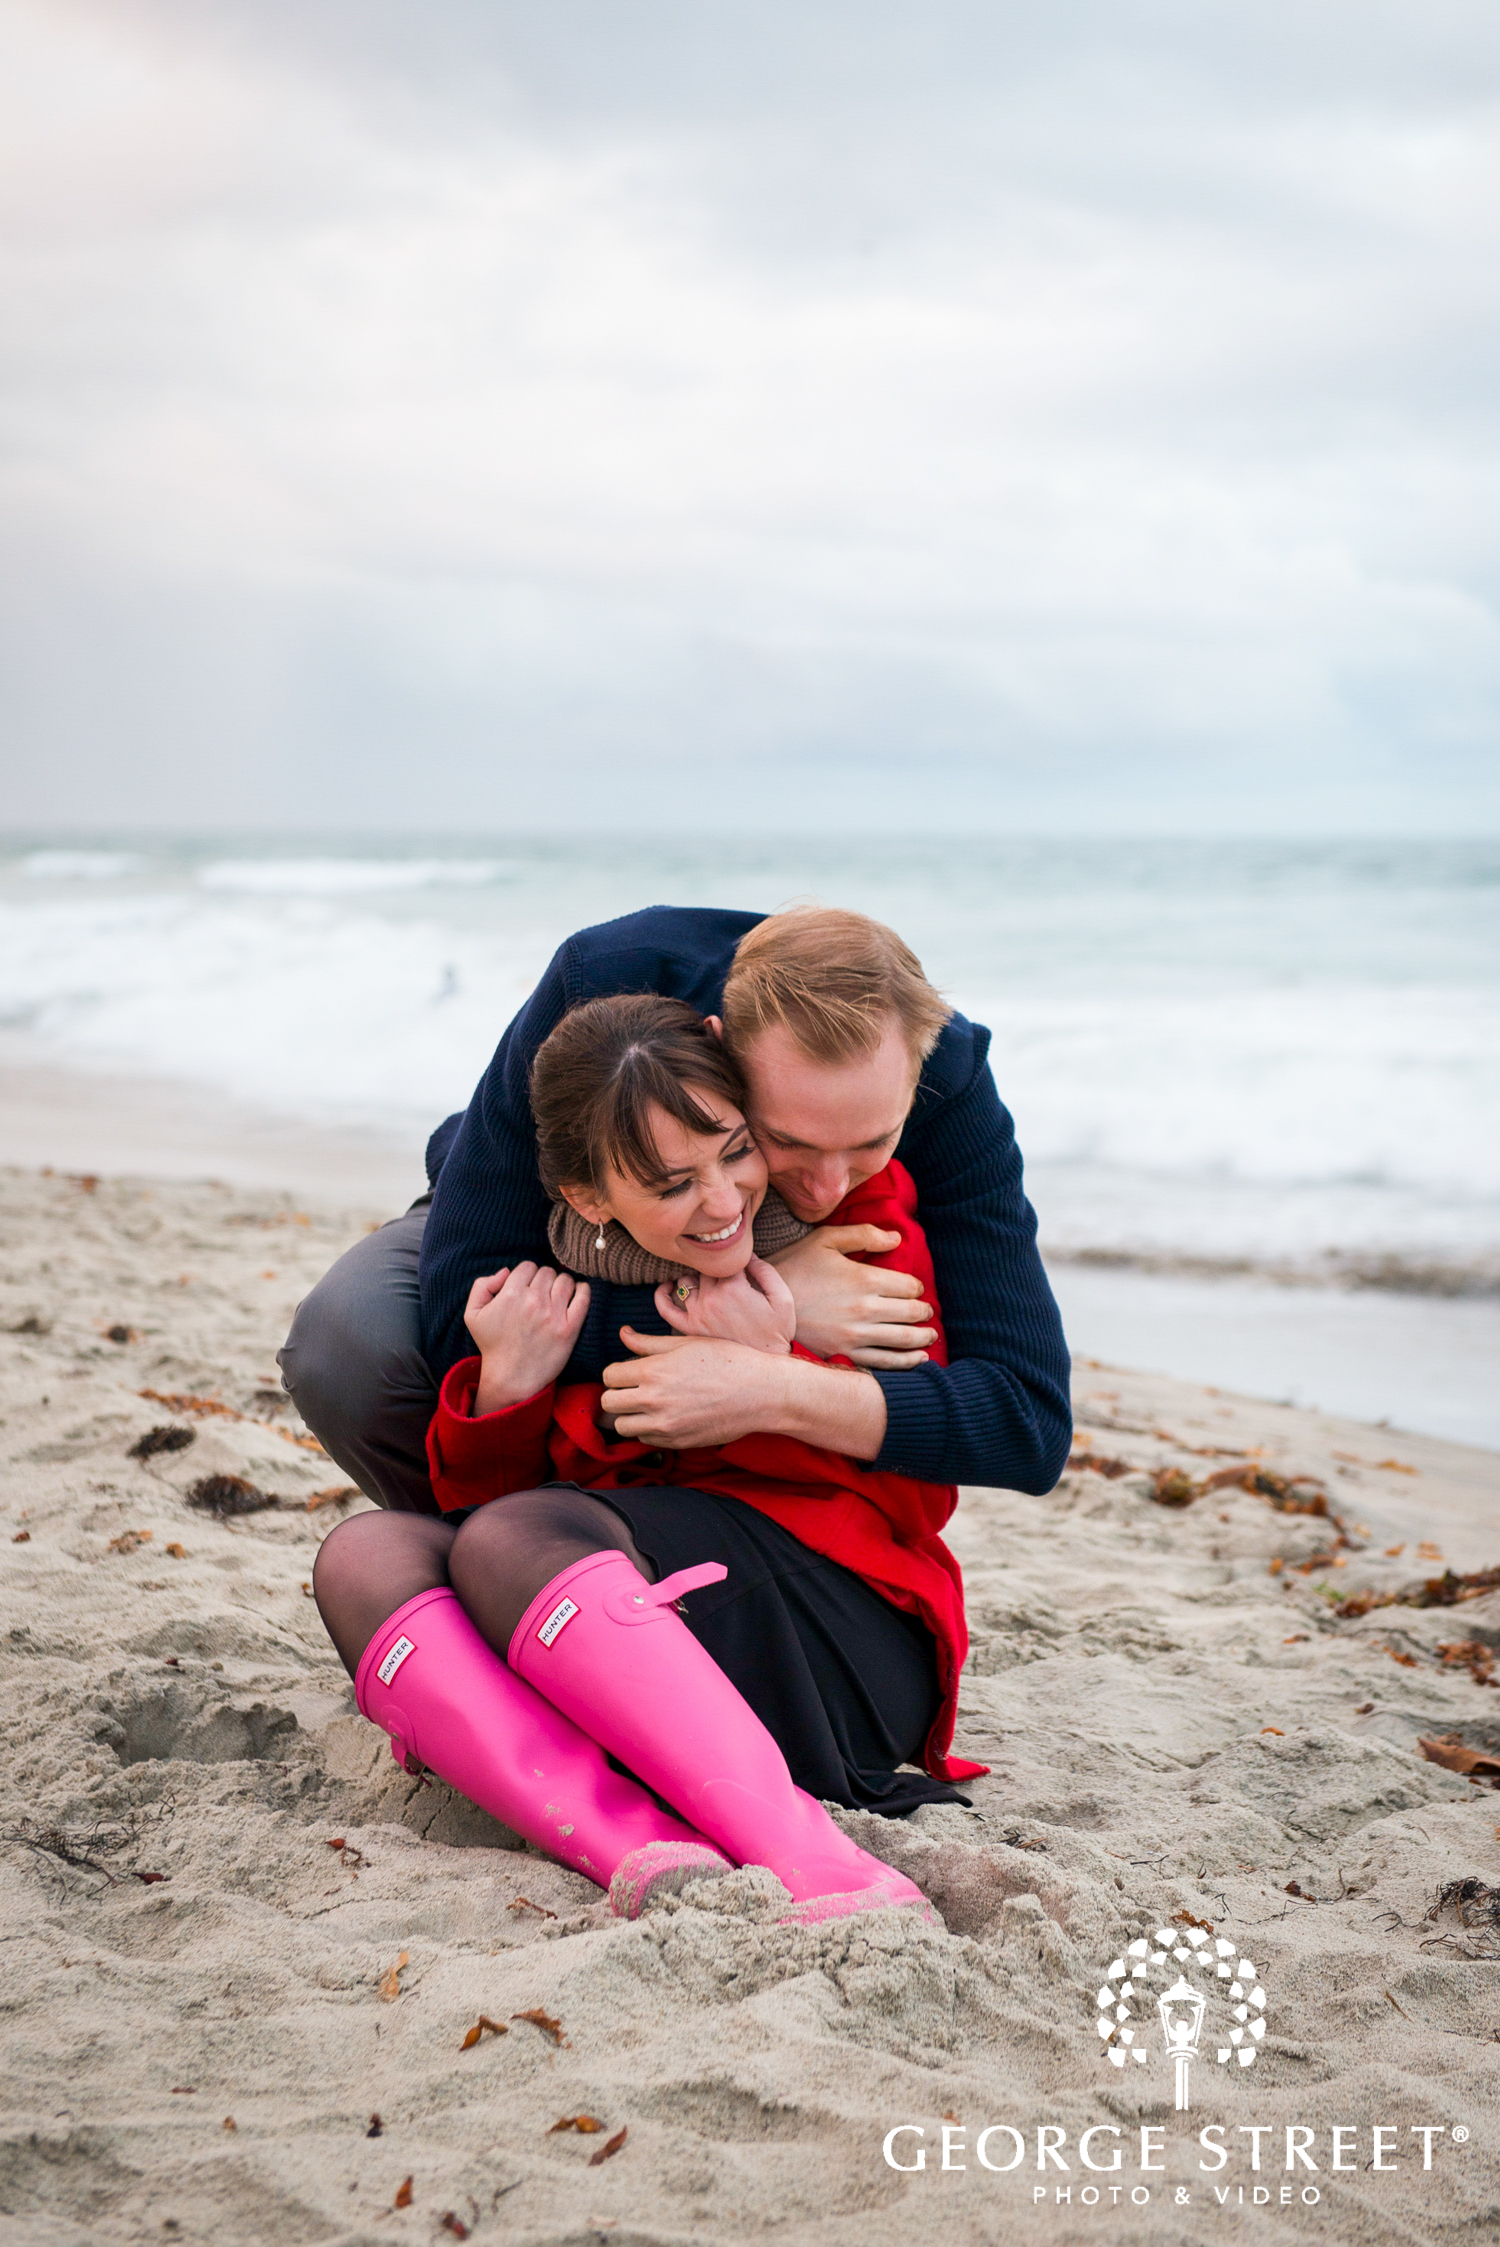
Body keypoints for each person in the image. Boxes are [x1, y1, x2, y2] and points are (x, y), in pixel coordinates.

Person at [313, 995, 984, 1924]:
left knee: (514, 1535)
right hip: (626, 1631)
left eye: (735, 1149)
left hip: (844, 1627)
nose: (722, 1200)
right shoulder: (555, 1290)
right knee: (364, 1554)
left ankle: (812, 1857)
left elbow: (919, 1495)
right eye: (672, 1184)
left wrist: (771, 1377)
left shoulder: (849, 1222)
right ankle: (640, 1847)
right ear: (589, 1199)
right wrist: (508, 1391)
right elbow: (490, 1531)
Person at [279, 904, 1071, 1515]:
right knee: (346, 1348)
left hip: (702, 1268)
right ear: (719, 1051)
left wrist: (774, 1377)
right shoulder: (604, 979)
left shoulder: (944, 1070)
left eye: (872, 1142)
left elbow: (1029, 1422)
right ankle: (462, 1557)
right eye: (786, 1139)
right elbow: (466, 1310)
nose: (830, 1187)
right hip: (543, 1224)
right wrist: (761, 1305)